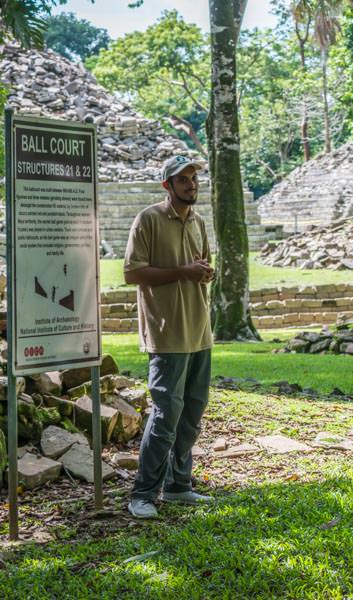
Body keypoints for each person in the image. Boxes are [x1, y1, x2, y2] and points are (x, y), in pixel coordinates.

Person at [124, 155, 216, 519]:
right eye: (183, 180)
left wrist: (203, 274)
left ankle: (179, 486)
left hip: (200, 331)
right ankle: (142, 493)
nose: (191, 184)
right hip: (166, 334)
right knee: (166, 414)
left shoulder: (199, 222)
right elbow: (132, 273)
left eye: (194, 179)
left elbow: (201, 267)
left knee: (192, 413)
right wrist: (182, 271)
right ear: (167, 186)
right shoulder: (148, 219)